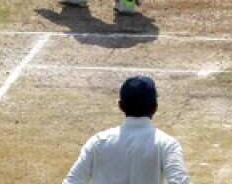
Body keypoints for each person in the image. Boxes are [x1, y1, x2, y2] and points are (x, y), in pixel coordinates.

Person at [62, 76, 190, 184]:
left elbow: (72, 181)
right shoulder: (166, 145)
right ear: (155, 107)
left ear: (121, 106)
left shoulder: (98, 142)